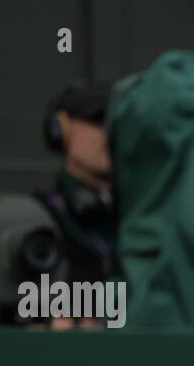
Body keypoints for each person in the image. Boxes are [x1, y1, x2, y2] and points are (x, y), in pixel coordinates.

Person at [32, 80, 122, 331]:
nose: (110, 132)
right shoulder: (38, 220)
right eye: (98, 120)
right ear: (60, 129)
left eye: (118, 123)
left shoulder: (141, 221)